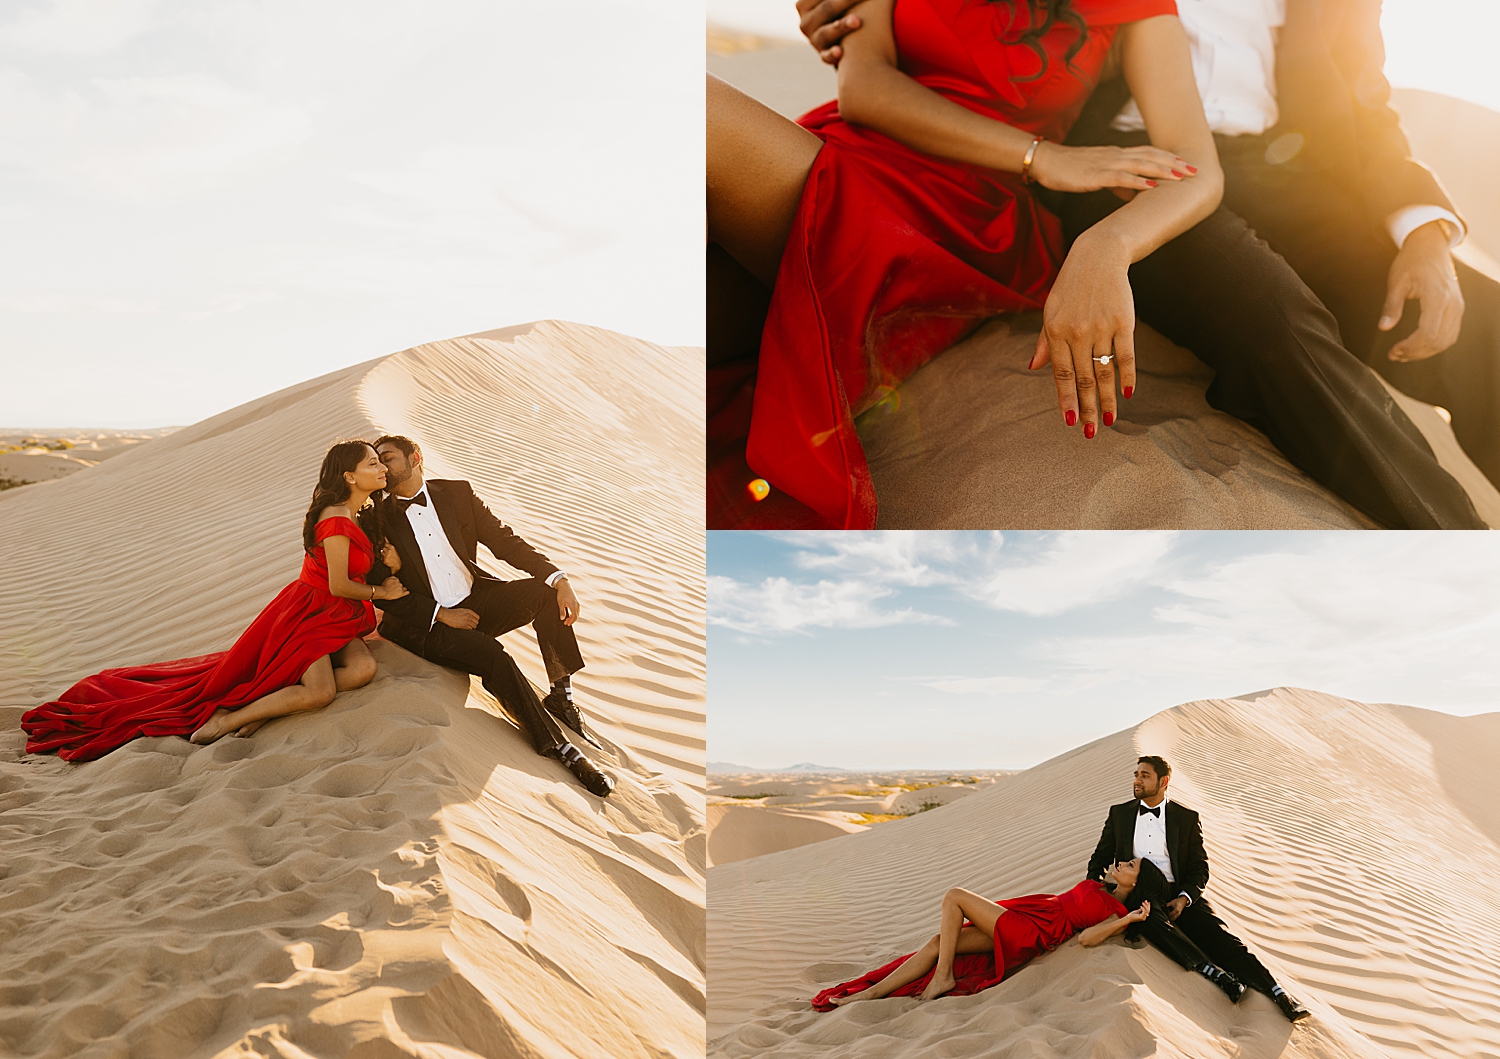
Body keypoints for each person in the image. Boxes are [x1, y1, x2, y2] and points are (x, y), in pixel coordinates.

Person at [797, 0, 1490, 530]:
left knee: (1481, 332)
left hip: (1294, 169)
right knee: (1274, 321)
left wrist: (1423, 225)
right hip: (1129, 169)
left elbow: (1366, 99)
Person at [708, 0, 1225, 529]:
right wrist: (1042, 156)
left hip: (968, 217)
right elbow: (864, 89)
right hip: (840, 155)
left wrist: (1107, 247)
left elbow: (1198, 169)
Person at [22, 439, 410, 761]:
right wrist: (383, 591)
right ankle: (231, 717)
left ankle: (274, 701)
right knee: (321, 693)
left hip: (336, 619)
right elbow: (339, 584)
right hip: (307, 617)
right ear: (349, 476)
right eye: (373, 463)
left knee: (362, 671)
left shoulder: (361, 513)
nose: (382, 469)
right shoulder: (336, 519)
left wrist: (385, 561)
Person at [364, 435, 614, 798]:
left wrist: (558, 578)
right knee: (494, 657)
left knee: (544, 594)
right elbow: (384, 594)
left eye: (388, 458)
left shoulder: (457, 494)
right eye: (378, 461)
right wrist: (442, 615)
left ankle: (561, 695)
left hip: (475, 599)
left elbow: (504, 540)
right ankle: (560, 748)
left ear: (415, 457)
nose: (383, 467)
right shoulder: (377, 520)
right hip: (426, 625)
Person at [811, 857, 1248, 1009]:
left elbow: (1085, 940)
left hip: (1031, 931)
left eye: (1131, 866)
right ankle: (870, 995)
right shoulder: (1102, 885)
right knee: (938, 942)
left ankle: (942, 979)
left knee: (954, 896)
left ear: (1137, 886)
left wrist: (1128, 921)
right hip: (1031, 913)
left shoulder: (1115, 907)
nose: (1122, 864)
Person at [1087, 756, 1311, 1022]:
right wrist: (1090, 890)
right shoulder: (1119, 813)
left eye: (1145, 775)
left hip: (1176, 890)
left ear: (1163, 781)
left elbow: (1199, 867)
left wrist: (1184, 898)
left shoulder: (1186, 818)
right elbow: (1101, 857)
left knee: (1218, 935)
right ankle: (1214, 973)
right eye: (1136, 774)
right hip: (1139, 888)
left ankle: (1278, 993)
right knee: (1149, 921)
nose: (1137, 779)